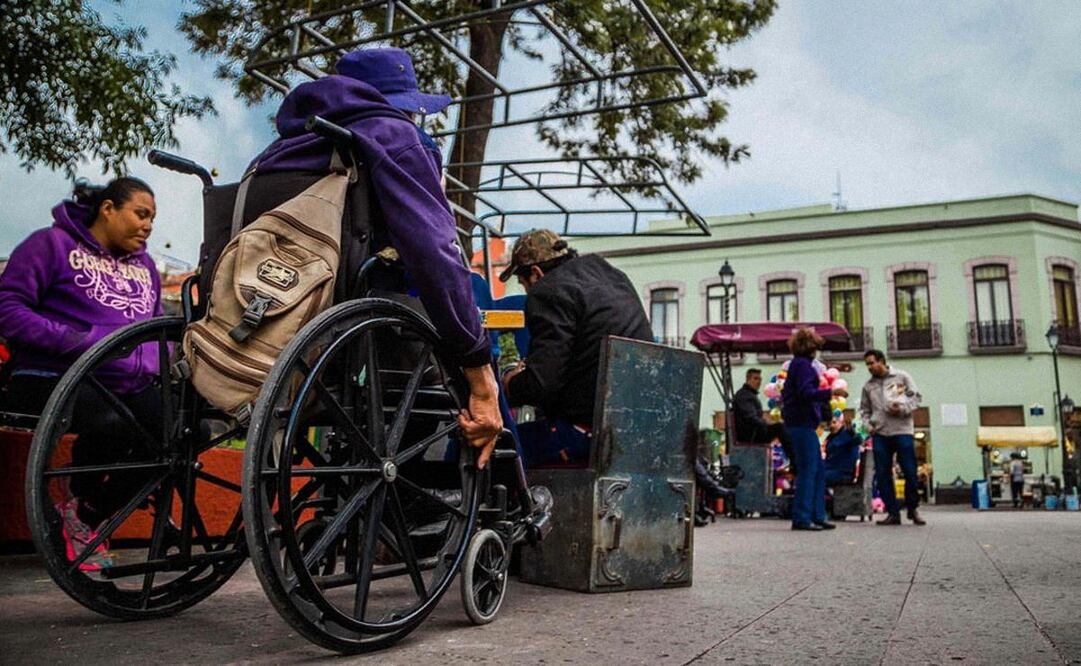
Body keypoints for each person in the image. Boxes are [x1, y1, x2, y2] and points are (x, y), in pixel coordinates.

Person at [246, 47, 502, 466]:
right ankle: (433, 505)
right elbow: (436, 252)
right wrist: (479, 365)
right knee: (459, 363)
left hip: (274, 318)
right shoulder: (397, 137)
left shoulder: (277, 153)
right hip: (357, 332)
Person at [0, 177, 163, 570]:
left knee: (180, 437)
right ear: (108, 208)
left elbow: (157, 325)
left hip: (129, 382)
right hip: (53, 375)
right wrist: (75, 339)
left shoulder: (147, 269)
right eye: (141, 214)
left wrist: (161, 357)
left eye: (153, 219)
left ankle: (86, 513)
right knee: (115, 422)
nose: (148, 226)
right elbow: (7, 307)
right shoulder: (50, 245)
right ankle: (76, 511)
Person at [498, 229, 652, 466]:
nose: (527, 292)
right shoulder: (611, 275)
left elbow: (541, 384)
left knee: (495, 448)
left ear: (536, 274)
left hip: (585, 434)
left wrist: (510, 382)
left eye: (523, 283)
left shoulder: (548, 290)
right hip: (636, 430)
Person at [781, 328, 848, 531]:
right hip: (801, 424)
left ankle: (817, 515)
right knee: (809, 471)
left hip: (801, 424)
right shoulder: (802, 366)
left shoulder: (799, 365)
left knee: (816, 471)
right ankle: (803, 517)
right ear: (811, 347)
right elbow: (805, 392)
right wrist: (831, 392)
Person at [859, 348, 924, 526]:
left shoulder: (901, 377)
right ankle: (893, 513)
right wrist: (868, 425)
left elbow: (916, 398)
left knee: (910, 471)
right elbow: (864, 410)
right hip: (880, 433)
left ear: (881, 361)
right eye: (867, 365)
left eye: (872, 363)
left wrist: (902, 409)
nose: (870, 367)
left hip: (902, 430)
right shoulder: (868, 386)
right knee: (882, 474)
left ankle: (912, 509)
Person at [734, 368, 796, 470]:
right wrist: (765, 424)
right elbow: (750, 417)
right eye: (755, 378)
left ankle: (793, 457)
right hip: (750, 434)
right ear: (748, 379)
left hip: (752, 431)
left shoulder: (747, 395)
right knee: (779, 427)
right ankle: (794, 459)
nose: (758, 382)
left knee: (780, 427)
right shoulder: (745, 396)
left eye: (760, 379)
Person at [823, 415, 864, 486]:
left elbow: (857, 439)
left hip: (843, 472)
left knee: (818, 476)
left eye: (834, 422)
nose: (831, 426)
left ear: (841, 423)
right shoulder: (831, 438)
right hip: (831, 468)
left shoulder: (847, 434)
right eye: (829, 424)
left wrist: (853, 434)